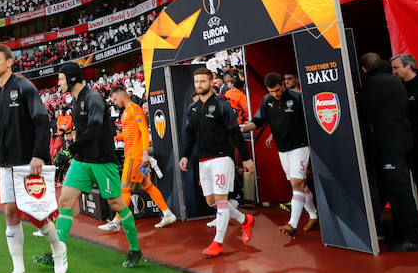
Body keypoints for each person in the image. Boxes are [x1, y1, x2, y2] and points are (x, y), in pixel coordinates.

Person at [37, 62, 144, 270]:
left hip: (102, 160)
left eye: (60, 79)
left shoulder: (93, 97)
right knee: (65, 200)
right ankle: (57, 253)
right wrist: (74, 152)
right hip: (82, 160)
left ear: (73, 79)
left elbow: (94, 128)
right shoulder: (76, 101)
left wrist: (71, 149)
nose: (58, 83)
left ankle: (135, 249)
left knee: (116, 204)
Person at [0, 44, 67, 273]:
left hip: (29, 163)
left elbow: (42, 120)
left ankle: (57, 246)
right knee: (10, 212)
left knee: (34, 213)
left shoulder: (24, 87)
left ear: (10, 62)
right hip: (8, 166)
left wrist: (39, 155)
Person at [179, 67, 255, 258]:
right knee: (211, 201)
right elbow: (189, 134)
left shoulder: (222, 105)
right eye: (196, 82)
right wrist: (185, 155)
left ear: (211, 82)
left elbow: (235, 132)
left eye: (202, 81)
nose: (199, 85)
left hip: (222, 158)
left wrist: (246, 158)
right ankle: (245, 219)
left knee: (221, 202)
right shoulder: (193, 108)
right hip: (203, 160)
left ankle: (217, 243)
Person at [358, 53, 418, 252]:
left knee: (399, 191)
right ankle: (405, 234)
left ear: (364, 70)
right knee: (400, 190)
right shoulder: (392, 81)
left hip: (391, 144)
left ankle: (413, 239)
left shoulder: (376, 84)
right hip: (401, 142)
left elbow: (362, 108)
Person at [240, 73, 318, 238]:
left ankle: (292, 224)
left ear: (283, 84)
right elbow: (258, 120)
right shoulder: (267, 100)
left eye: (277, 90)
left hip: (300, 146)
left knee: (297, 183)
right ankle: (313, 215)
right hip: (283, 149)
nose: (275, 94)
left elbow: (310, 120)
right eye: (271, 91)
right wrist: (247, 127)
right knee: (299, 185)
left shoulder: (298, 97)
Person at [100, 86, 176, 232]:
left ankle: (116, 222)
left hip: (134, 155)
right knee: (147, 185)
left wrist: (145, 153)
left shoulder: (134, 109)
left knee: (125, 187)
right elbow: (129, 132)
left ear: (121, 95)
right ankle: (167, 213)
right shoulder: (127, 111)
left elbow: (143, 130)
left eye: (115, 99)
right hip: (133, 154)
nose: (115, 102)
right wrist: (116, 137)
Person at [391, 53, 418, 236]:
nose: (393, 72)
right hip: (412, 146)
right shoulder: (401, 89)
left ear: (408, 66)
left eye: (396, 67)